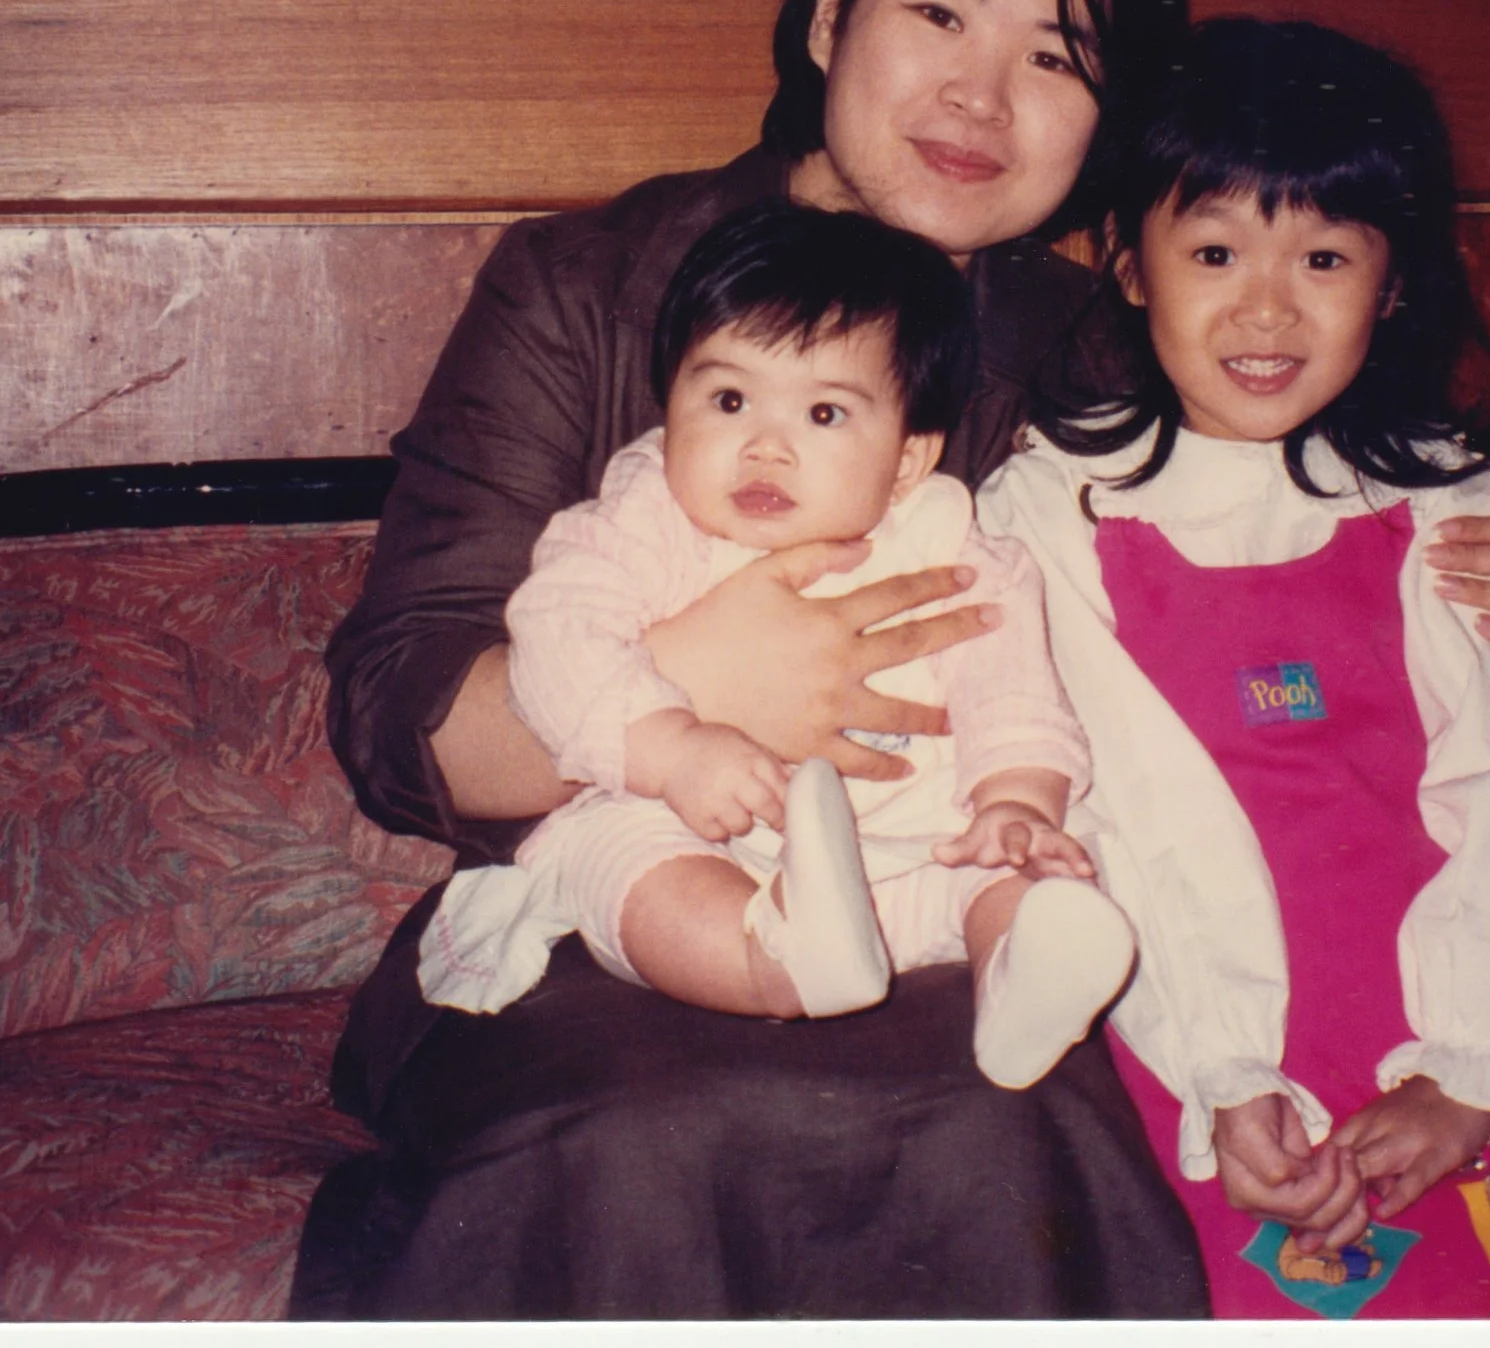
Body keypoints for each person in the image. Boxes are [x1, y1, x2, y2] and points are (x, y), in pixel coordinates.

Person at [292, 0, 1490, 1320]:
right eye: (940, 13)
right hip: (600, 925)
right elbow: (398, 717)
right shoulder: (582, 287)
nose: (982, 94)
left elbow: (1281, 552)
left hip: (947, 906)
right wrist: (697, 677)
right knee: (664, 1129)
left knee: (1018, 1121)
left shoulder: (1094, 350)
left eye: (1056, 57)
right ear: (833, 12)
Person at [981, 17, 1490, 1319]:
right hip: (1191, 1005)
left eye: (1325, 257)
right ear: (1129, 261)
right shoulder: (1052, 507)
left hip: (1461, 996)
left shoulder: (1437, 502)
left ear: (1392, 282)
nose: (1266, 308)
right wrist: (1225, 1068)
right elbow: (1123, 800)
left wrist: (1467, 1069)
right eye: (1215, 252)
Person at [422, 203, 1135, 1095]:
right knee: (623, 857)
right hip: (702, 835)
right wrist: (671, 747)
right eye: (728, 401)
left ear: (908, 461)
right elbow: (558, 638)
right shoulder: (643, 523)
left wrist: (1015, 801)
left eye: (825, 412)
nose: (765, 446)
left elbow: (1015, 690)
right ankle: (777, 960)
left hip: (919, 851)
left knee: (1013, 871)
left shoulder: (956, 549)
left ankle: (1017, 975)